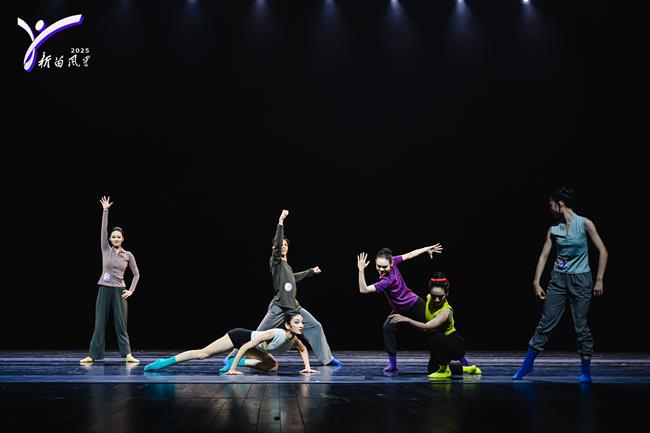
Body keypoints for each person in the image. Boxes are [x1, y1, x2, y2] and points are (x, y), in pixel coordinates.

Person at [512, 187, 608, 383]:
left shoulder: (585, 223)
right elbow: (544, 256)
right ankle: (527, 365)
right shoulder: (554, 229)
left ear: (560, 203)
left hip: (581, 280)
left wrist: (599, 279)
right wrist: (536, 282)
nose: (550, 208)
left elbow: (603, 251)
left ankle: (585, 371)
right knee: (545, 323)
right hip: (558, 280)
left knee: (580, 326)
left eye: (551, 204)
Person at [224, 210, 342, 369]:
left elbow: (294, 278)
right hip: (279, 308)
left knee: (315, 326)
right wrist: (281, 221)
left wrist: (311, 271)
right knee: (258, 333)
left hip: (294, 307)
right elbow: (277, 248)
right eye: (281, 245)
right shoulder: (276, 262)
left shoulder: (286, 266)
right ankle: (232, 357)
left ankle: (327, 359)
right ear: (275, 247)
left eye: (286, 245)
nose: (283, 247)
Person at [144, 310, 319, 375]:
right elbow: (245, 346)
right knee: (203, 354)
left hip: (253, 347)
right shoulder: (273, 333)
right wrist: (233, 369)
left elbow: (303, 349)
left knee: (273, 366)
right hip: (239, 337)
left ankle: (236, 362)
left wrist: (307, 367)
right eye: (297, 322)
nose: (301, 325)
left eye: (302, 322)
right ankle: (163, 363)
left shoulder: (295, 340)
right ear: (287, 325)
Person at [356, 244, 443, 373]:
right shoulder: (394, 262)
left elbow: (363, 290)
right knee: (387, 328)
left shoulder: (387, 280)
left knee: (435, 328)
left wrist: (361, 270)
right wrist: (426, 249)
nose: (381, 269)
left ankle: (457, 358)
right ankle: (393, 364)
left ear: (391, 263)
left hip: (414, 304)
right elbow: (410, 255)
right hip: (400, 309)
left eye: (384, 267)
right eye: (378, 266)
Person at [80, 196, 141, 364]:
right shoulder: (105, 249)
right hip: (104, 289)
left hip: (120, 291)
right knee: (99, 324)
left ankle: (127, 355)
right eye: (113, 237)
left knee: (121, 325)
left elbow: (136, 274)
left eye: (118, 237)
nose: (115, 239)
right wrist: (105, 211)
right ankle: (92, 355)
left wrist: (131, 290)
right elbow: (103, 230)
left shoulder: (128, 255)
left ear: (123, 239)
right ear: (109, 239)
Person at [389, 272, 482, 379]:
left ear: (447, 294)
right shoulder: (429, 298)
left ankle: (445, 370)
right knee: (432, 369)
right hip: (440, 344)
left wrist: (407, 320)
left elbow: (427, 326)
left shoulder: (445, 312)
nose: (437, 300)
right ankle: (468, 369)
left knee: (435, 336)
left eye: (440, 296)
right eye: (434, 296)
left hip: (455, 344)